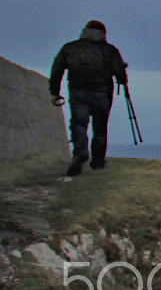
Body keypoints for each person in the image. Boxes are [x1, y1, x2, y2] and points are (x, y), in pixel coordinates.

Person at [49, 20, 130, 176]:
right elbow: (119, 71)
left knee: (79, 124)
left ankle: (80, 153)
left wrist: (55, 92)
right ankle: (98, 162)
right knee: (100, 128)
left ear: (84, 31)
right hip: (102, 92)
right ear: (103, 34)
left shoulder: (70, 48)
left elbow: (56, 70)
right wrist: (122, 82)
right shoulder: (109, 50)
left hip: (77, 91)